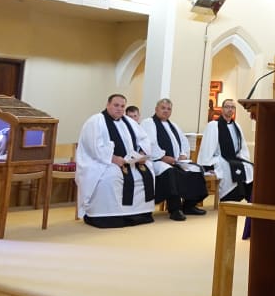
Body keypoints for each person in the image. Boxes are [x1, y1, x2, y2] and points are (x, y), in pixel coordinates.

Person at [76, 93, 156, 228]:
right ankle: (106, 216)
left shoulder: (129, 122)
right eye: (116, 105)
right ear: (108, 105)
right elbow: (93, 146)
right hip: (103, 162)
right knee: (111, 177)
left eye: (122, 106)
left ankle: (138, 214)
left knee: (148, 173)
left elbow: (144, 139)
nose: (119, 109)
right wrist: (112, 158)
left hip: (130, 162)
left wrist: (142, 153)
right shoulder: (96, 121)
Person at [141, 98, 208, 221]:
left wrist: (183, 154)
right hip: (156, 161)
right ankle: (175, 209)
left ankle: (189, 205)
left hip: (176, 161)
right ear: (156, 109)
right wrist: (162, 156)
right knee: (170, 172)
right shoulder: (148, 123)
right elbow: (149, 143)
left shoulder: (174, 126)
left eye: (168, 109)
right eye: (163, 108)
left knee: (196, 170)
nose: (166, 111)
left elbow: (183, 142)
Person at [198, 99, 253, 202]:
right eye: (227, 107)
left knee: (249, 167)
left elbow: (242, 147)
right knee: (228, 167)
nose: (230, 110)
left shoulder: (237, 126)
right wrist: (207, 164)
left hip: (235, 157)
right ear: (222, 109)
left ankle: (249, 197)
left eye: (232, 107)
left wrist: (243, 158)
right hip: (220, 157)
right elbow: (208, 147)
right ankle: (229, 198)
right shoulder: (214, 125)